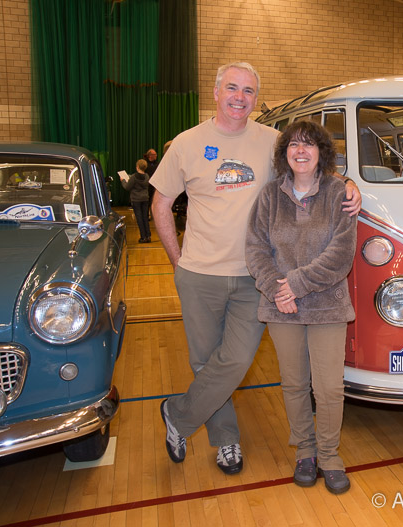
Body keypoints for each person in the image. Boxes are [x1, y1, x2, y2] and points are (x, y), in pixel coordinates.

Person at [149, 62, 361, 475]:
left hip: (256, 278)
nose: (240, 97)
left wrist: (349, 184)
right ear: (215, 92)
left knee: (236, 360)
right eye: (232, 88)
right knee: (205, 362)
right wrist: (178, 262)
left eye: (248, 90)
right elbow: (160, 204)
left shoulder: (272, 140)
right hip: (200, 274)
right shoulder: (187, 144)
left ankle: (178, 414)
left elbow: (311, 161)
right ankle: (226, 440)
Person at [246, 121, 356, 494]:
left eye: (309, 145)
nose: (301, 151)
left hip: (327, 306)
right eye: (293, 145)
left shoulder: (340, 192)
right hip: (281, 309)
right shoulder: (268, 196)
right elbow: (256, 249)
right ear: (284, 154)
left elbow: (340, 256)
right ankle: (305, 452)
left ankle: (329, 455)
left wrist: (292, 285)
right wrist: (277, 290)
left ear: (322, 152)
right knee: (295, 384)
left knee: (328, 388)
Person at [122, 158, 151, 243]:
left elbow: (127, 187)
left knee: (139, 218)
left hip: (136, 200)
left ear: (137, 166)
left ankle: (143, 237)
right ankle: (148, 236)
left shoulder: (134, 177)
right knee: (145, 217)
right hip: (145, 198)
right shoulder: (147, 176)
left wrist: (123, 181)